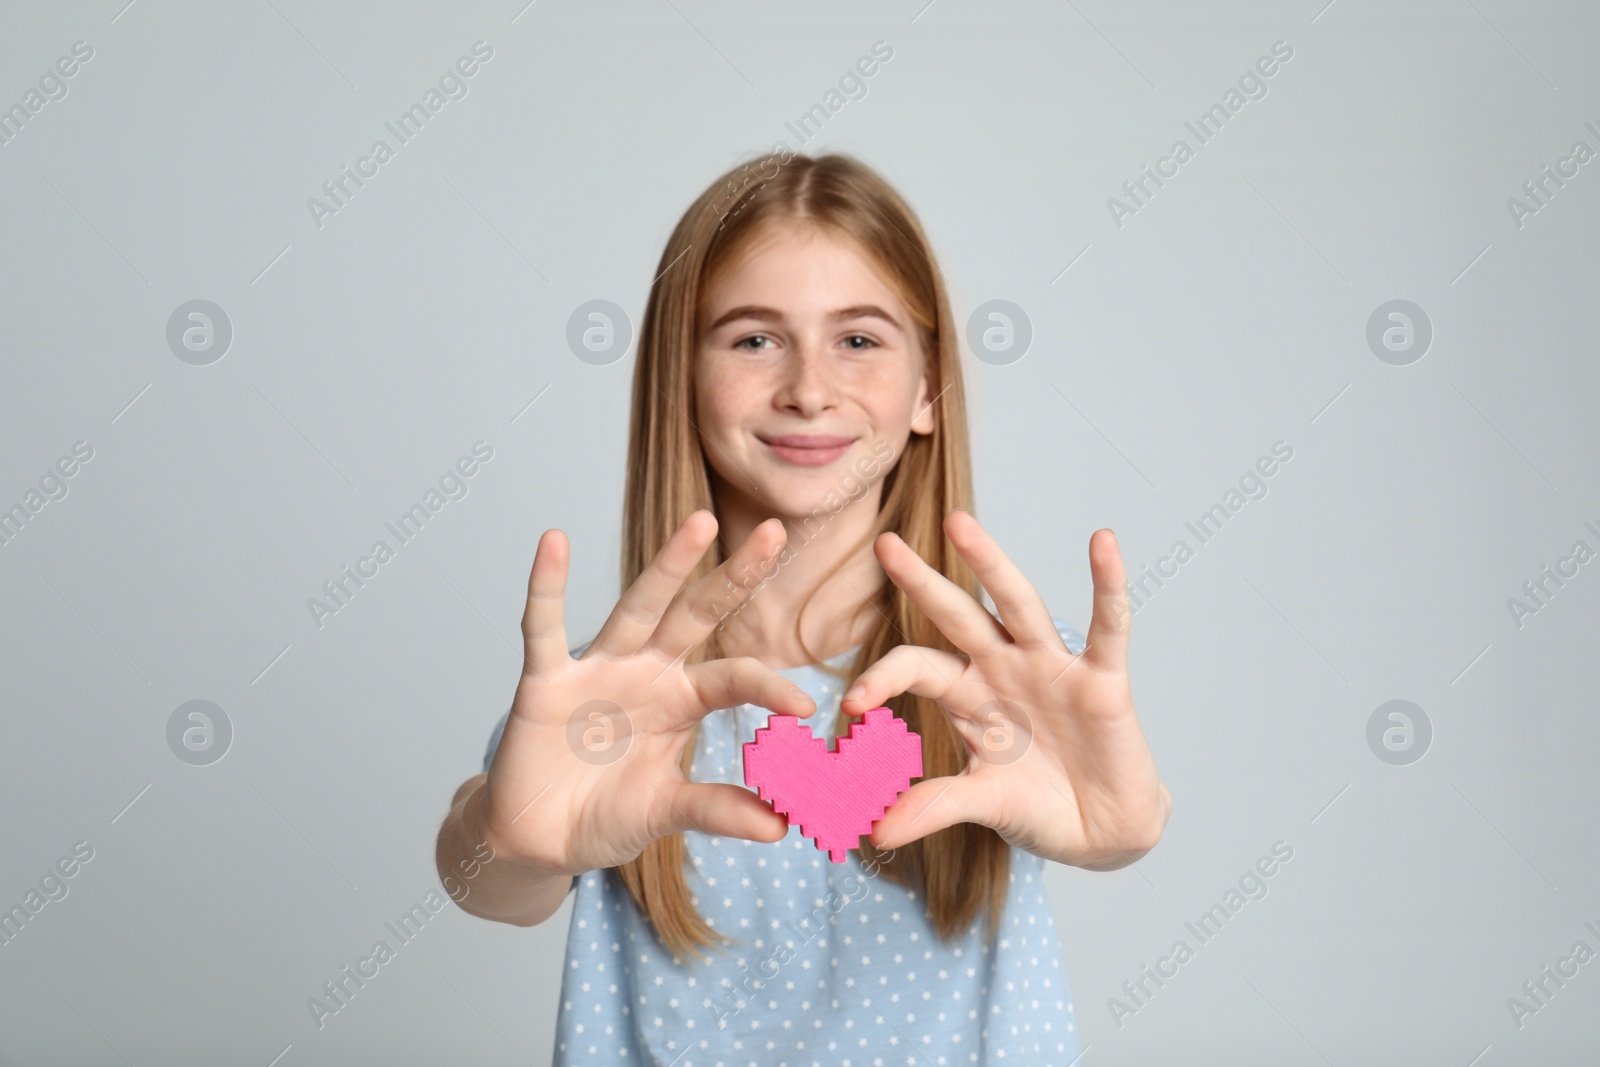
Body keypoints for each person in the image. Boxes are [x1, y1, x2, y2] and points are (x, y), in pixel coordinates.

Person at [434, 149, 1172, 1065]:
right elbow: (491, 878)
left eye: (858, 339)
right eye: (753, 339)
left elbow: (1109, 820)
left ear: (929, 389)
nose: (809, 389)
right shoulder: (619, 697)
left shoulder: (1005, 680)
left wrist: (1124, 826)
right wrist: (512, 844)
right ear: (681, 377)